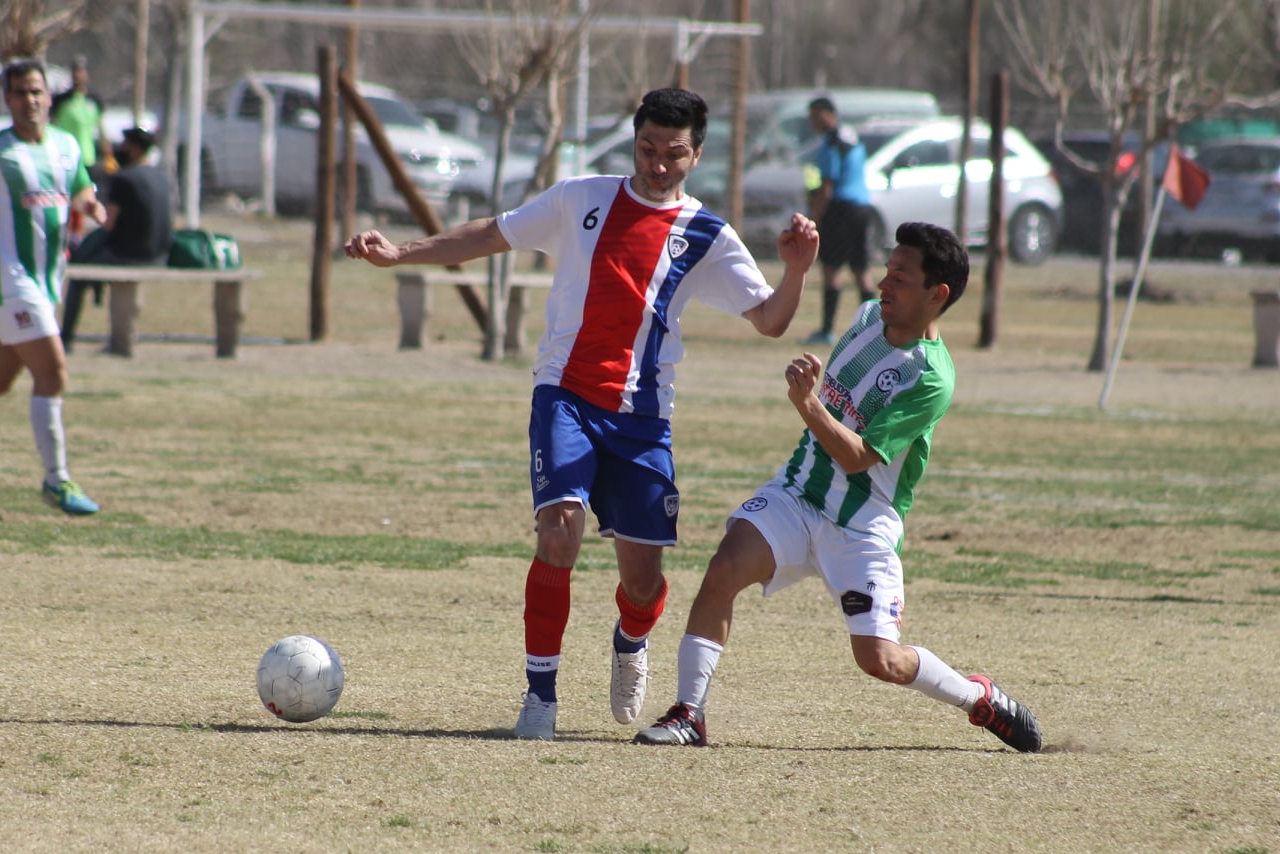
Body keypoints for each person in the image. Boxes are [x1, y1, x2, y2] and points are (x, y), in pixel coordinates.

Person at [344, 87, 820, 741]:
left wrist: (795, 272)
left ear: (697, 155)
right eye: (647, 148)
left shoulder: (707, 234)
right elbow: (493, 233)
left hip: (643, 419)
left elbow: (770, 320)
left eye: (674, 153)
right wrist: (401, 252)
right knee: (558, 532)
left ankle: (630, 639)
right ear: (634, 142)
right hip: (564, 395)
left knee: (644, 583)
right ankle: (540, 697)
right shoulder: (579, 199)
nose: (658, 164)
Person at [632, 222, 1042, 753]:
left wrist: (808, 404)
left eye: (900, 277)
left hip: (862, 526)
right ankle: (690, 715)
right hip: (798, 494)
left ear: (937, 295)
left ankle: (977, 696)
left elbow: (857, 458)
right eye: (887, 270)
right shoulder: (867, 318)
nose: (883, 283)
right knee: (724, 568)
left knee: (880, 660)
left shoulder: (930, 378)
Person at [0, 58, 106, 516]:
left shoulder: (67, 145)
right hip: (10, 283)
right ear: (7, 100)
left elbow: (81, 187)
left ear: (48, 97)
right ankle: (56, 480)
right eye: (20, 93)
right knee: (54, 372)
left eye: (36, 92)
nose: (30, 101)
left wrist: (91, 206)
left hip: (47, 285)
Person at [59, 126, 174, 348]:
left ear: (135, 149)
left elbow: (108, 223)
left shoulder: (123, 178)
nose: (119, 149)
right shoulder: (162, 177)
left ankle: (66, 338)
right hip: (160, 255)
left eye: (124, 145)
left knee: (77, 277)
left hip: (127, 255)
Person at [801, 97, 875, 348]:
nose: (811, 121)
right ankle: (875, 330)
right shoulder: (852, 137)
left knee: (831, 270)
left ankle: (827, 330)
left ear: (827, 114)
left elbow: (826, 188)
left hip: (841, 209)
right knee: (861, 271)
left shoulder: (831, 143)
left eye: (814, 115)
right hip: (862, 207)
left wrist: (814, 220)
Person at [50, 56, 116, 186]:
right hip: (65, 158)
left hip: (87, 158)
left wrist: (108, 155)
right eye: (75, 72)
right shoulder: (61, 101)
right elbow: (52, 127)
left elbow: (102, 129)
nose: (78, 76)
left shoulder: (93, 101)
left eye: (81, 71)